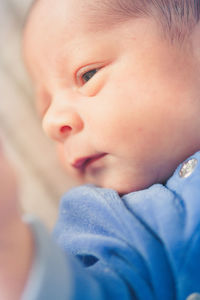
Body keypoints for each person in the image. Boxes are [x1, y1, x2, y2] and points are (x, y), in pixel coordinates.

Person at [1, 0, 200, 299]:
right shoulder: (109, 225)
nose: (51, 123)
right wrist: (11, 246)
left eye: (87, 76)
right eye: (44, 108)